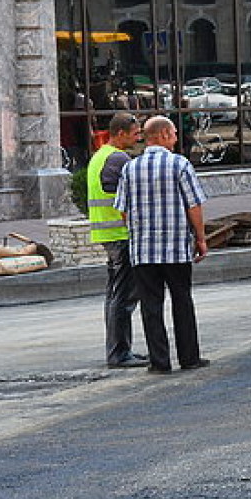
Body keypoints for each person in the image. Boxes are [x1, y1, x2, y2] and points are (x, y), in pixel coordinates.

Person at [114, 116, 210, 374]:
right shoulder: (179, 164)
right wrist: (200, 238)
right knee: (182, 300)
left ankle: (160, 362)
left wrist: (137, 229)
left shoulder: (130, 168)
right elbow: (193, 205)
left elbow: (122, 210)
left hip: (143, 250)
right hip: (176, 247)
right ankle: (189, 357)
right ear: (165, 134)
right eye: (175, 133)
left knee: (151, 305)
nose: (177, 138)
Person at [88, 112, 148, 368]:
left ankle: (119, 350)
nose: (138, 138)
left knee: (115, 296)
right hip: (120, 235)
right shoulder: (118, 158)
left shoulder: (99, 156)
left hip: (107, 234)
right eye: (135, 134)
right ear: (121, 133)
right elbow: (133, 193)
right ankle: (119, 354)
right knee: (123, 298)